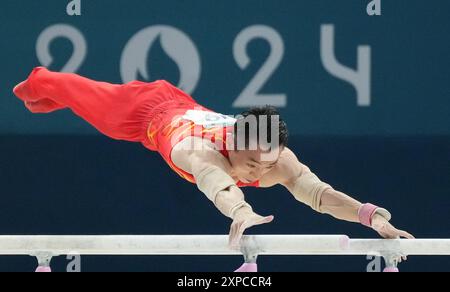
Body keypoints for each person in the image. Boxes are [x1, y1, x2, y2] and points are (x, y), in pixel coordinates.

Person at [13, 67, 414, 250]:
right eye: (253, 161)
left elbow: (321, 195)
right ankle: (38, 83)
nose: (261, 170)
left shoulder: (280, 161)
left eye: (268, 162)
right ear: (233, 144)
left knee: (301, 180)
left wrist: (371, 216)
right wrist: (240, 212)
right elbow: (214, 182)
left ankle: (47, 95)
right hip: (145, 113)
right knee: (66, 89)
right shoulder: (198, 151)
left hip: (183, 105)